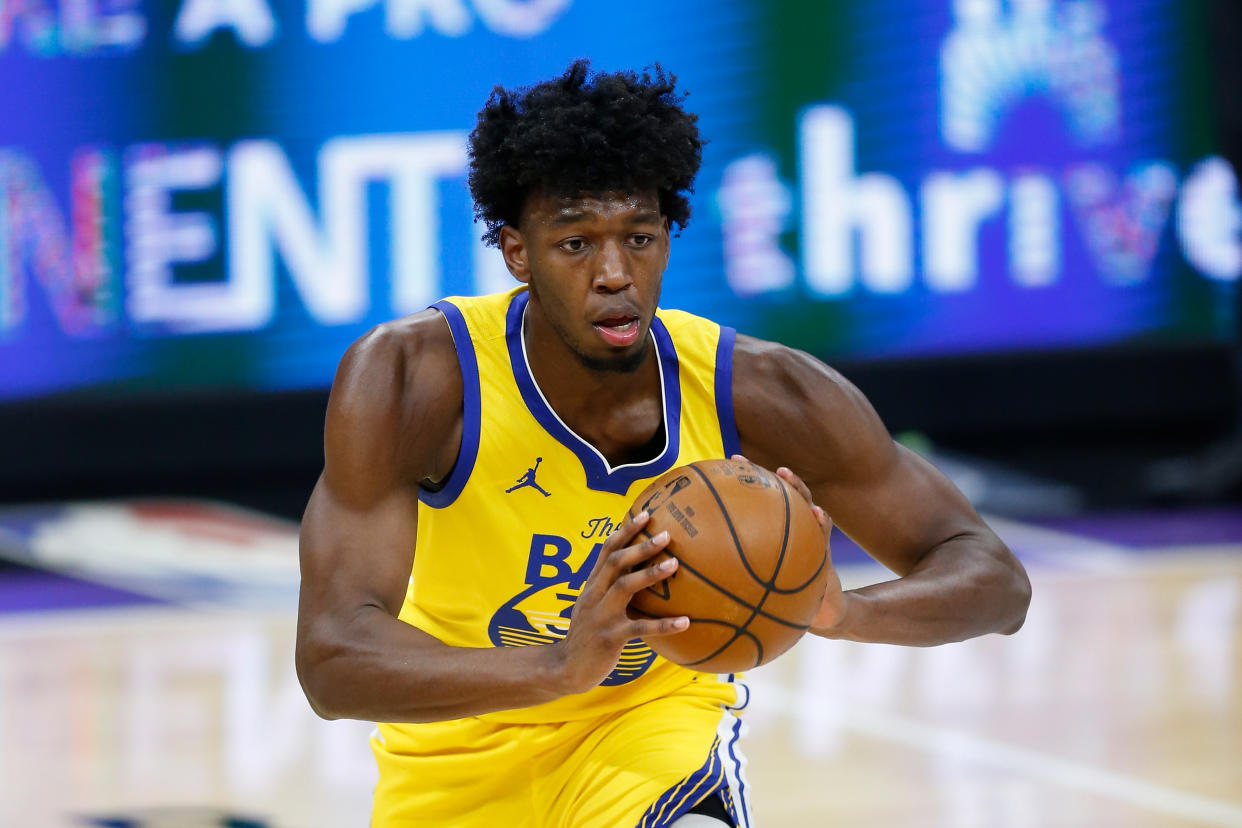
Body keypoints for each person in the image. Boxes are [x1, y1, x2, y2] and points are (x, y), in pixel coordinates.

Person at [295, 61, 1032, 827]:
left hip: (649, 742)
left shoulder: (757, 390)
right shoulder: (416, 378)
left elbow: (994, 579)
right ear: (517, 251)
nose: (615, 274)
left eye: (639, 238)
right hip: (453, 769)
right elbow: (331, 659)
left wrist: (844, 612)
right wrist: (558, 665)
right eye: (576, 243)